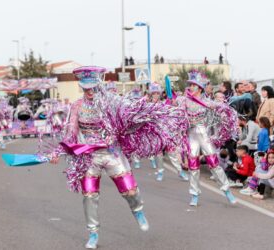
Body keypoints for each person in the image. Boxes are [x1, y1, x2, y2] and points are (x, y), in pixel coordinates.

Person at [50, 66, 188, 249]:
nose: (89, 91)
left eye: (92, 87)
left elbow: (130, 120)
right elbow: (70, 132)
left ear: (99, 85)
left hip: (112, 153)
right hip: (89, 156)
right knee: (89, 195)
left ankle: (137, 210)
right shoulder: (76, 106)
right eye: (85, 88)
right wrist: (59, 151)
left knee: (129, 191)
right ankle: (93, 234)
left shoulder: (112, 102)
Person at [177, 69, 237, 206]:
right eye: (190, 85)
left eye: (193, 85)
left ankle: (227, 190)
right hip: (191, 135)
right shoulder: (184, 101)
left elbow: (221, 112)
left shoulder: (208, 102)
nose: (190, 87)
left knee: (214, 164)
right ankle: (194, 194)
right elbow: (176, 112)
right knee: (193, 166)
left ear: (200, 88)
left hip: (204, 135)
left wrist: (227, 117)